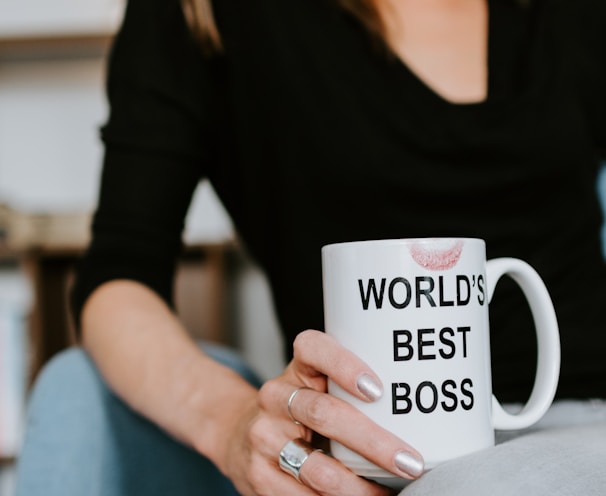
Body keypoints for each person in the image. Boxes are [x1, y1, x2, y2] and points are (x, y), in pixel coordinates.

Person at [15, 0, 606, 495]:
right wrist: (229, 421)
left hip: (576, 417)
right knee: (74, 388)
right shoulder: (206, 14)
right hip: (347, 448)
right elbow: (121, 274)